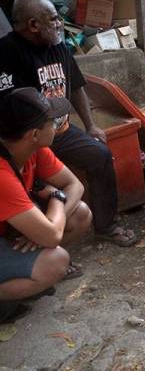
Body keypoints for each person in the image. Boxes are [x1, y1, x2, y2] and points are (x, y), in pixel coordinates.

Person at [0, 0, 134, 247]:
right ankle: (35, 241)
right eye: (53, 19)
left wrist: (91, 125)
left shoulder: (57, 45)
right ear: (32, 25)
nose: (60, 23)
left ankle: (106, 225)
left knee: (99, 155)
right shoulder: (7, 53)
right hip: (28, 140)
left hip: (59, 130)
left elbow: (76, 87)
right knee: (32, 185)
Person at [0, 88, 92, 321]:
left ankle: (25, 269)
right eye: (51, 121)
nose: (57, 123)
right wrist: (57, 200)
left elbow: (75, 185)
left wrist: (44, 227)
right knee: (56, 261)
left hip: (11, 227)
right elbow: (51, 236)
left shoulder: (33, 148)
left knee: (80, 214)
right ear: (34, 134)